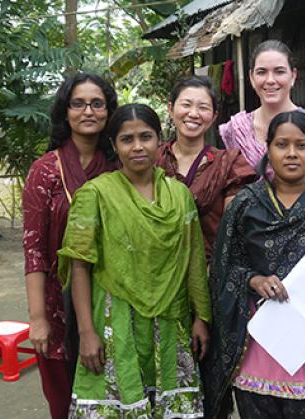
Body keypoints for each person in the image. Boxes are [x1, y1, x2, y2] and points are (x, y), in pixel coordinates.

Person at [202, 111, 305, 419]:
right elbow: (224, 267)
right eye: (282, 144)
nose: (292, 154)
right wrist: (253, 280)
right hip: (258, 345)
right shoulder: (246, 205)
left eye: (302, 145)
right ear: (268, 149)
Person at [57, 104, 211, 418]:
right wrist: (86, 332)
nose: (138, 146)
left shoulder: (179, 195)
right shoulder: (96, 194)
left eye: (146, 137)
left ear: (160, 140)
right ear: (114, 145)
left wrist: (200, 317)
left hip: (172, 320)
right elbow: (79, 266)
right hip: (116, 321)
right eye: (127, 139)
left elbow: (194, 258)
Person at [22, 72, 118, 419]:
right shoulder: (45, 171)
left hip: (112, 303)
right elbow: (33, 249)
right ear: (66, 111)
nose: (88, 111)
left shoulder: (120, 168)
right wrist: (37, 318)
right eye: (78, 103)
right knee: (64, 403)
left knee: (111, 400)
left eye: (97, 103)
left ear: (109, 112)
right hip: (56, 305)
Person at [155, 76, 257, 261]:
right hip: (157, 268)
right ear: (171, 109)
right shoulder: (153, 160)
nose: (193, 114)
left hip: (210, 270)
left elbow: (232, 229)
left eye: (203, 107)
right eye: (186, 104)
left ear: (214, 116)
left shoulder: (228, 164)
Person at [219, 39, 305, 183]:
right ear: (252, 78)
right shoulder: (235, 131)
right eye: (262, 72)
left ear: (293, 76)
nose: (270, 80)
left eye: (279, 71)